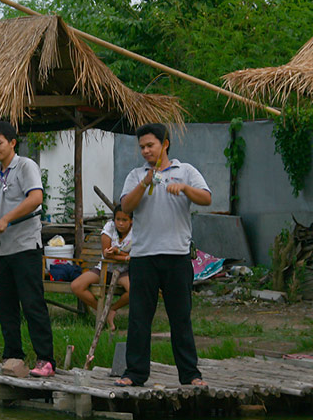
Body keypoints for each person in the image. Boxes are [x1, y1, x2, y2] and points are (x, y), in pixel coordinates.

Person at [115, 123, 212, 388]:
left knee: (180, 317)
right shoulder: (136, 175)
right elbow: (126, 206)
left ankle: (190, 374)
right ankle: (135, 373)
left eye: (150, 145)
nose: (146, 151)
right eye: (142, 147)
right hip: (144, 256)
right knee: (139, 317)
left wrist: (185, 189)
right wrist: (146, 181)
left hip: (176, 256)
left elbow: (206, 199)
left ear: (165, 144)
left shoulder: (186, 171)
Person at [0, 120, 56, 378]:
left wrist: (6, 220)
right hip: (2, 250)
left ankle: (46, 360)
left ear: (12, 142)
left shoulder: (26, 166)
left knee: (32, 303)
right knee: (6, 307)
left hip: (26, 247)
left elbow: (36, 198)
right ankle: (13, 355)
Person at [70, 205, 133, 330]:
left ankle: (112, 309)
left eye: (124, 220)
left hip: (124, 271)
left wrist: (119, 253)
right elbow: (106, 254)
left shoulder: (137, 231)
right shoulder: (109, 227)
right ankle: (104, 310)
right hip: (104, 268)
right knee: (76, 286)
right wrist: (126, 257)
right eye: (118, 219)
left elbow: (136, 256)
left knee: (133, 291)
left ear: (131, 220)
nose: (120, 223)